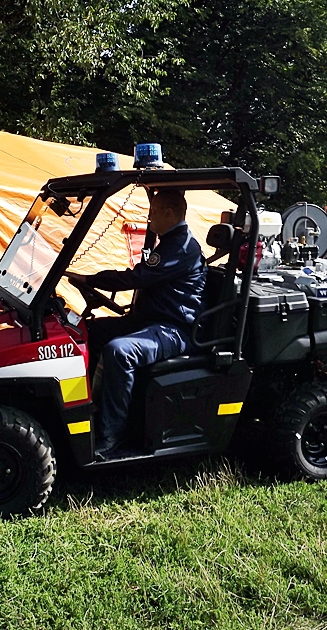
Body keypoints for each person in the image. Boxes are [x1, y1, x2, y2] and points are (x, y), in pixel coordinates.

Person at [76, 189, 206, 458]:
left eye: (153, 211)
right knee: (90, 331)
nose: (149, 217)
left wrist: (91, 279)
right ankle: (86, 409)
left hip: (174, 329)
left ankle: (112, 433)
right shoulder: (169, 242)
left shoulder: (180, 247)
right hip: (149, 321)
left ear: (169, 213)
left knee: (119, 351)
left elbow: (137, 278)